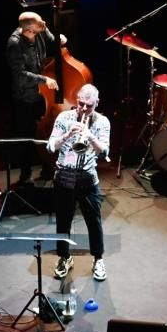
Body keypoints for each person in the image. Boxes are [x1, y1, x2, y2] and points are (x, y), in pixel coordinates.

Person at [48, 84, 111, 281]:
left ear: (97, 103)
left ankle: (98, 259)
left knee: (94, 222)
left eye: (88, 106)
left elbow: (105, 152)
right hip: (64, 177)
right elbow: (50, 147)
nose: (83, 109)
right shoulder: (64, 117)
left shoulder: (102, 122)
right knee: (63, 221)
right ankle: (64, 257)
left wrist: (89, 136)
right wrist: (67, 135)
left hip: (87, 179)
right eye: (80, 103)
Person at [5, 12, 64, 183]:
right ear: (29, 30)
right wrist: (44, 80)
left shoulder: (39, 32)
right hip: (25, 96)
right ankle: (26, 175)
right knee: (26, 136)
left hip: (42, 95)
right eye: (39, 23)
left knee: (45, 132)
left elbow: (54, 42)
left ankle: (48, 167)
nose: (43, 23)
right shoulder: (14, 44)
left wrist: (59, 39)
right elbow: (20, 76)